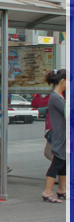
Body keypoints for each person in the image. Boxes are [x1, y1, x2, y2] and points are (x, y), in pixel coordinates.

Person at [41, 69, 66, 203]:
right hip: (60, 134)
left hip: (62, 134)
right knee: (58, 162)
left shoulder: (58, 96)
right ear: (62, 81)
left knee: (63, 161)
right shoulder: (56, 97)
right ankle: (47, 191)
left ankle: (62, 190)